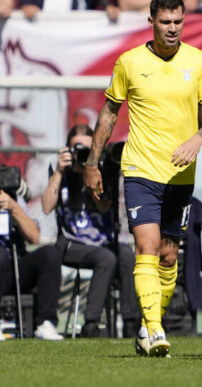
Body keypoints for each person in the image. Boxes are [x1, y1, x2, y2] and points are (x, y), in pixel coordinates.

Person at [84, 0, 202, 358]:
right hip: (141, 169)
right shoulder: (130, 62)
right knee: (145, 247)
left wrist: (200, 139)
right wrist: (92, 162)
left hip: (181, 174)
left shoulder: (198, 61)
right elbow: (109, 114)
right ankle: (158, 330)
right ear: (152, 22)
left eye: (178, 22)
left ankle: (147, 328)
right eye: (165, 22)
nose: (173, 28)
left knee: (168, 256)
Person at [41, 125, 141, 338]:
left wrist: (91, 175)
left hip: (102, 240)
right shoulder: (60, 170)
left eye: (89, 149)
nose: (84, 154)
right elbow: (47, 206)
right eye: (79, 148)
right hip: (70, 242)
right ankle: (91, 324)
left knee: (126, 255)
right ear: (68, 149)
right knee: (106, 258)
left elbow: (105, 207)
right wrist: (60, 171)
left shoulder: (103, 170)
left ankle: (132, 322)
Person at [0, 171, 63, 340]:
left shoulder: (11, 194)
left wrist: (13, 207)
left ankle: (46, 324)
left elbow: (34, 237)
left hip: (15, 268)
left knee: (49, 254)